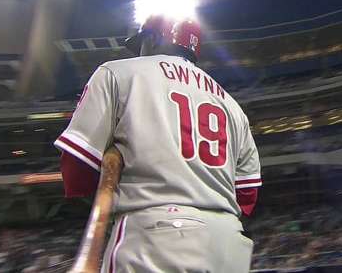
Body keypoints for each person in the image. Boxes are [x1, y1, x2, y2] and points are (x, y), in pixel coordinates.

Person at [54, 15, 262, 273]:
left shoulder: (118, 72)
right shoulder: (232, 105)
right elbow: (247, 194)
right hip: (229, 244)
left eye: (140, 43)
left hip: (156, 235)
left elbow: (76, 168)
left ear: (152, 39)